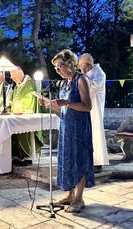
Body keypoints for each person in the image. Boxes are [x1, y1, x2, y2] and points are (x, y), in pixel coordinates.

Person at [40, 49, 95, 213]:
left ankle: (79, 198)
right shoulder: (64, 83)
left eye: (59, 67)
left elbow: (87, 106)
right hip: (66, 127)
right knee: (67, 160)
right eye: (56, 68)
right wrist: (49, 103)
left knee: (79, 160)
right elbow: (62, 107)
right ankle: (70, 194)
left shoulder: (81, 79)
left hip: (79, 128)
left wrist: (66, 102)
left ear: (70, 63)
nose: (57, 71)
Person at [79, 53, 109, 173]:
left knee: (95, 133)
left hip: (95, 109)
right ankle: (87, 160)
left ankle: (97, 162)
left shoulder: (99, 74)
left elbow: (91, 88)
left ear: (89, 64)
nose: (81, 69)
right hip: (87, 108)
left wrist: (81, 81)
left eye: (82, 66)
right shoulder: (87, 74)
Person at [10, 66, 43, 164]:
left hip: (27, 114)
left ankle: (27, 156)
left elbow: (30, 98)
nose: (12, 78)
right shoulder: (17, 85)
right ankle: (17, 156)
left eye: (13, 76)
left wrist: (16, 103)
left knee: (24, 133)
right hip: (17, 113)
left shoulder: (29, 84)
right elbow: (13, 98)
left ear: (19, 74)